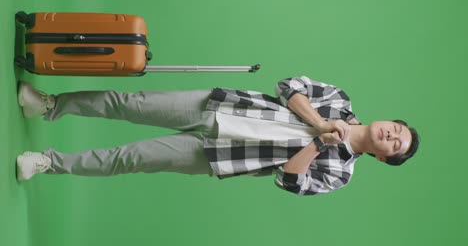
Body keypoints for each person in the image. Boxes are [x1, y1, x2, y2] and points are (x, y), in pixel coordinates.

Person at [15, 76, 420, 196]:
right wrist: (318, 123)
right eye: (397, 129)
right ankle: (49, 105)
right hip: (222, 107)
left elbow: (289, 181)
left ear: (384, 158)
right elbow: (289, 85)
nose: (391, 135)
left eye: (395, 144)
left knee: (131, 157)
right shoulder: (339, 99)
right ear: (389, 121)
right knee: (131, 101)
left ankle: (48, 163)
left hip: (219, 156)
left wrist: (318, 144)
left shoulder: (340, 172)